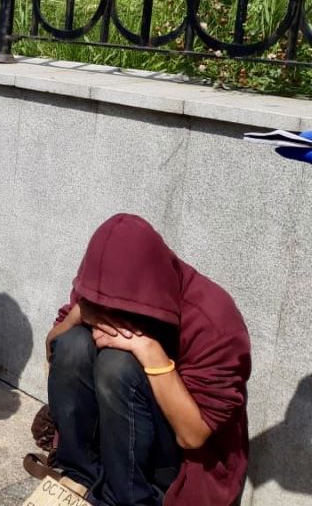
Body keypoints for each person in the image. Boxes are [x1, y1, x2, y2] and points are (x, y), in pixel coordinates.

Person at [43, 213, 250, 506]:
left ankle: (128, 498)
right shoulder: (99, 288)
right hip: (115, 436)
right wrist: (78, 315)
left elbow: (194, 436)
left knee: (117, 365)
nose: (110, 314)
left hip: (174, 461)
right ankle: (81, 475)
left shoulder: (214, 320)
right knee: (74, 343)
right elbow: (54, 348)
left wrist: (151, 352)